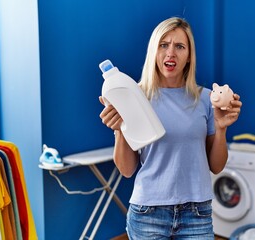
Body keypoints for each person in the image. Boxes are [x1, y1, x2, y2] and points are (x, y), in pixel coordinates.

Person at [99, 16, 242, 240]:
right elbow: (127, 170)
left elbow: (216, 166)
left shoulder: (205, 99)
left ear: (189, 56)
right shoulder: (135, 96)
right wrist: (119, 129)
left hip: (197, 214)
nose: (170, 53)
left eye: (179, 46)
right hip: (148, 213)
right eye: (163, 45)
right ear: (153, 52)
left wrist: (221, 128)